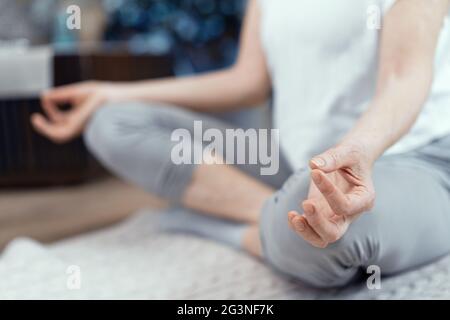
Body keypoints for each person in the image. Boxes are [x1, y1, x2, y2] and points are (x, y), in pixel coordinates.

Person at [32, 0, 450, 288]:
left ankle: (229, 225)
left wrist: (358, 151)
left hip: (412, 158)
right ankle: (271, 217)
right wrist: (112, 92)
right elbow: (247, 82)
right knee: (113, 123)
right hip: (293, 161)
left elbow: (403, 77)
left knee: (330, 233)